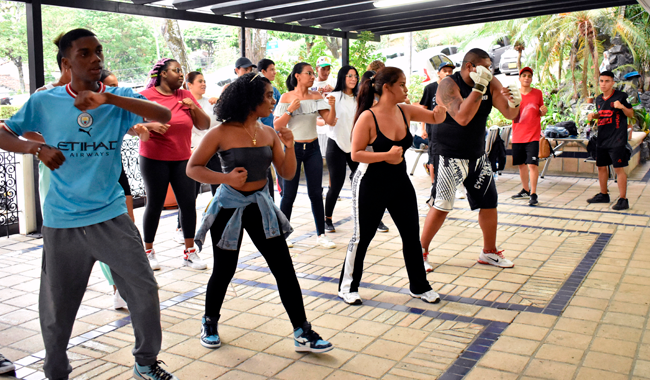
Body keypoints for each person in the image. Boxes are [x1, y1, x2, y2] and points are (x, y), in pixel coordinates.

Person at [0, 28, 179, 380]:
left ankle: (145, 362)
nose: (95, 58)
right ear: (67, 63)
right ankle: (56, 369)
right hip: (61, 221)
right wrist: (35, 148)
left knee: (144, 291)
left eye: (98, 51)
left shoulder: (118, 98)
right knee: (57, 308)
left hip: (110, 216)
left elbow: (163, 114)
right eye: (84, 53)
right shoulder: (45, 102)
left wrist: (109, 101)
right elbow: (4, 132)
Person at [188, 72, 334, 353]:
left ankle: (302, 331)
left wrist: (289, 145)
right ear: (250, 100)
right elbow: (193, 168)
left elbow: (288, 172)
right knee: (224, 269)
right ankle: (209, 321)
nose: (274, 99)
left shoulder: (267, 133)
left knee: (284, 269)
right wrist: (226, 178)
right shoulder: (220, 133)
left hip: (262, 207)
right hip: (228, 208)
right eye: (268, 96)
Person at [338, 67, 447, 305]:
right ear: (387, 87)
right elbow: (355, 154)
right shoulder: (368, 116)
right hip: (370, 183)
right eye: (402, 84)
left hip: (399, 183)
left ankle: (419, 286)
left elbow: (437, 118)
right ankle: (347, 286)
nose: (406, 89)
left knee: (411, 236)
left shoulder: (405, 110)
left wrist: (444, 102)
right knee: (362, 237)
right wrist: (385, 155)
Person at [420, 48, 522, 272]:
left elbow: (509, 114)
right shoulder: (448, 85)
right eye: (485, 67)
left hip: (477, 155)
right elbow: (463, 117)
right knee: (442, 206)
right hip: (448, 154)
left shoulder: (490, 81)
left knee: (489, 203)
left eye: (491, 68)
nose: (490, 72)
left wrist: (516, 102)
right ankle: (421, 251)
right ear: (469, 67)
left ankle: (489, 251)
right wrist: (478, 88)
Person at [139, 58, 211, 271]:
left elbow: (204, 124)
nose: (180, 74)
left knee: (188, 203)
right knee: (155, 204)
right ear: (162, 74)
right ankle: (148, 252)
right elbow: (128, 125)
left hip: (182, 159)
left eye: (181, 71)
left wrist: (193, 108)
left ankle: (190, 252)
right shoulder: (146, 97)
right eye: (176, 71)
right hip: (154, 159)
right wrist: (148, 125)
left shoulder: (186, 96)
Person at [274, 62, 337, 249]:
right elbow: (277, 126)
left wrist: (332, 106)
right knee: (288, 194)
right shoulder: (287, 97)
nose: (312, 76)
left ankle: (321, 235)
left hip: (313, 148)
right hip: (292, 149)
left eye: (312, 73)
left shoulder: (316, 96)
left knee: (316, 193)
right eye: (308, 73)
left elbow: (330, 121)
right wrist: (290, 109)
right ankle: (282, 235)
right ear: (297, 76)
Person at [173, 70, 223, 244]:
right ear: (189, 84)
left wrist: (220, 103)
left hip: (212, 151)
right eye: (199, 81)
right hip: (192, 152)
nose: (203, 84)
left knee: (219, 187)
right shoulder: (182, 104)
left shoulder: (210, 103)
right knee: (189, 194)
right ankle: (181, 227)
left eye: (204, 81)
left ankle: (219, 218)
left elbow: (217, 125)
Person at [586, 70, 634, 210]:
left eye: (607, 81)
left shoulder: (621, 96)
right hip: (602, 139)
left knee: (618, 168)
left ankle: (623, 199)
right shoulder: (599, 99)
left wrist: (622, 107)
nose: (604, 84)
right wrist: (593, 116)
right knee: (601, 167)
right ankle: (603, 194)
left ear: (613, 82)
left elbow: (631, 113)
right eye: (601, 81)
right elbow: (602, 115)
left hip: (617, 139)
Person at [510, 67, 547, 206]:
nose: (526, 78)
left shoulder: (537, 93)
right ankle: (525, 189)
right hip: (518, 135)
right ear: (519, 78)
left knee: (532, 164)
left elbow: (541, 110)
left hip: (533, 135)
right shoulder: (514, 94)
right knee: (521, 165)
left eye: (529, 76)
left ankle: (533, 193)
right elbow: (509, 112)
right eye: (524, 75)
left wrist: (543, 111)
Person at [419, 62, 455, 204]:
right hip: (433, 130)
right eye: (444, 71)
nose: (447, 73)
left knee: (450, 156)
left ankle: (452, 185)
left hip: (450, 129)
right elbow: (423, 109)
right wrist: (422, 128)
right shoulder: (430, 88)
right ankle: (434, 185)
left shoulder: (455, 89)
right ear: (438, 73)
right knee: (433, 157)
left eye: (450, 71)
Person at [258, 58, 283, 198]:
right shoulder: (254, 90)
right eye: (271, 69)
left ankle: (281, 195)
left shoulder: (275, 91)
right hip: (259, 139)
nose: (274, 72)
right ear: (263, 72)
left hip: (274, 136)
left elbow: (280, 112)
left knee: (278, 169)